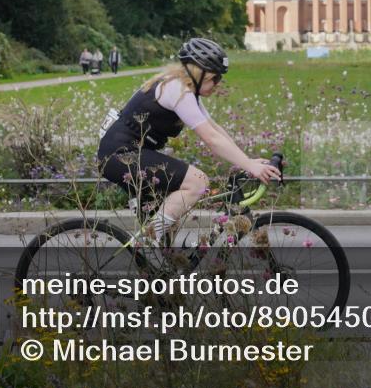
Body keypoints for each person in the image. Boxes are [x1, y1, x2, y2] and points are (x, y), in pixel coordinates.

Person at [97, 38, 281, 241]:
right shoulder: (177, 90)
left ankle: (159, 259)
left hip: (129, 153)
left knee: (169, 229)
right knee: (198, 182)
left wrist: (248, 162)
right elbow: (210, 139)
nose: (217, 84)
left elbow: (214, 129)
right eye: (214, 78)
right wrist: (249, 165)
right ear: (198, 73)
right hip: (121, 155)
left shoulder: (187, 91)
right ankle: (147, 241)